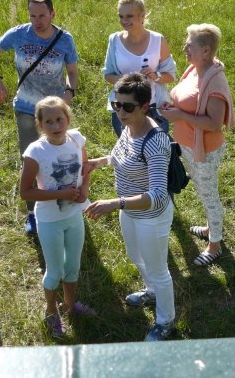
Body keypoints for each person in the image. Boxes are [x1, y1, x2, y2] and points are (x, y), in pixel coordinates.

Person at [84, 72, 175, 342]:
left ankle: (166, 320)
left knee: (159, 270)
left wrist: (116, 203)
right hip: (129, 210)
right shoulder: (129, 126)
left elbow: (157, 195)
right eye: (116, 104)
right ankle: (151, 292)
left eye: (127, 106)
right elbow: (121, 154)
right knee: (136, 256)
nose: (120, 112)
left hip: (151, 216)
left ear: (145, 107)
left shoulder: (156, 141)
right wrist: (99, 162)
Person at [0, 0, 78, 235]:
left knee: (59, 157)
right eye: (32, 16)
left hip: (54, 112)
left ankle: (62, 203)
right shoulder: (19, 34)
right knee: (31, 160)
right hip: (26, 109)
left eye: (42, 15)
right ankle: (34, 213)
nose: (37, 21)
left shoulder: (64, 39)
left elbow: (72, 71)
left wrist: (69, 91)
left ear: (52, 14)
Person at [20, 96, 94, 338]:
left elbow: (85, 167)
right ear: (40, 124)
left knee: (72, 265)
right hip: (49, 220)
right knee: (54, 271)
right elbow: (25, 192)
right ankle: (51, 312)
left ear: (68, 119)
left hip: (74, 216)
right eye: (48, 121)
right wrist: (61, 193)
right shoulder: (36, 151)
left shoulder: (76, 139)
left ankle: (70, 305)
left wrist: (84, 190)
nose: (55, 125)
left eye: (59, 119)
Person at [161, 24, 235, 267]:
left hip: (205, 150)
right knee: (204, 192)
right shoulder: (195, 69)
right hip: (190, 146)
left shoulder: (214, 82)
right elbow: (187, 100)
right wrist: (174, 109)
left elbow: (214, 123)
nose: (184, 48)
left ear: (205, 51)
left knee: (209, 195)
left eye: (189, 45)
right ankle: (211, 228)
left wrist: (180, 115)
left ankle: (215, 246)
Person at [102, 0, 177, 136]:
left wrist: (155, 76)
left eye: (129, 16)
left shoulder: (158, 40)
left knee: (159, 147)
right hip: (124, 109)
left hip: (154, 106)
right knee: (129, 149)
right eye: (121, 16)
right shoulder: (114, 40)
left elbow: (171, 76)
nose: (124, 21)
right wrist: (127, 80)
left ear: (142, 16)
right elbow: (108, 75)